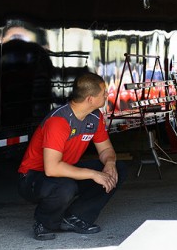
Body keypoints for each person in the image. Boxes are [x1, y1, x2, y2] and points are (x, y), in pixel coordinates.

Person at [17, 72, 127, 240]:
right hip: (33, 177)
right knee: (65, 186)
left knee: (118, 169)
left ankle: (75, 218)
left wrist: (110, 164)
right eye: (104, 92)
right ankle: (44, 223)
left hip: (64, 171)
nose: (107, 94)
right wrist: (93, 174)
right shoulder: (59, 121)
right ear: (90, 98)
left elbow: (106, 150)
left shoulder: (95, 117)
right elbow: (52, 168)